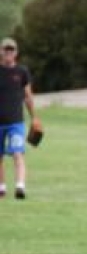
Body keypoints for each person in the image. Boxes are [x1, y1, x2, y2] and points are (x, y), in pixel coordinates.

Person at [0, 37, 40, 200]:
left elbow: (28, 96)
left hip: (16, 122)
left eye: (11, 50)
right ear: (1, 52)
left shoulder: (22, 72)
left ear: (16, 53)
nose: (8, 53)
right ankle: (1, 188)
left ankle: (20, 186)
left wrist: (34, 117)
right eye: (5, 50)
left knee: (18, 153)